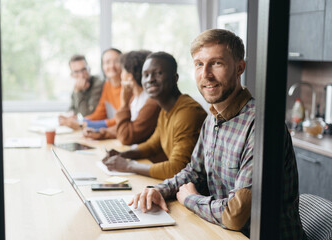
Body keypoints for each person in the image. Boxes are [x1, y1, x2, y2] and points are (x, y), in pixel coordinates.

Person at [128, 29, 306, 239]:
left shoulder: (262, 125)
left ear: (240, 67)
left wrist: (190, 199)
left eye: (217, 63)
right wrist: (159, 189)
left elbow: (235, 214)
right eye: (199, 64)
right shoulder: (213, 117)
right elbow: (194, 171)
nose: (206, 74)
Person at [102, 52, 207, 180]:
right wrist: (123, 155)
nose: (150, 79)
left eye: (158, 73)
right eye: (145, 75)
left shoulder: (187, 112)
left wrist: (128, 165)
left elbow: (177, 169)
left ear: (175, 78)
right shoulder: (166, 109)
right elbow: (152, 145)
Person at [83, 50, 161, 145]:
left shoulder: (150, 103)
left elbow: (126, 136)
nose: (120, 73)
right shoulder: (137, 99)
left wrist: (124, 103)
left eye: (123, 70)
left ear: (129, 76)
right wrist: (101, 133)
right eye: (107, 62)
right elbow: (127, 126)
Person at [60, 48, 122, 130]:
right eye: (107, 62)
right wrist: (80, 121)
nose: (111, 66)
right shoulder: (108, 85)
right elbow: (98, 113)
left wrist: (82, 124)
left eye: (116, 61)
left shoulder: (101, 84)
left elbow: (121, 119)